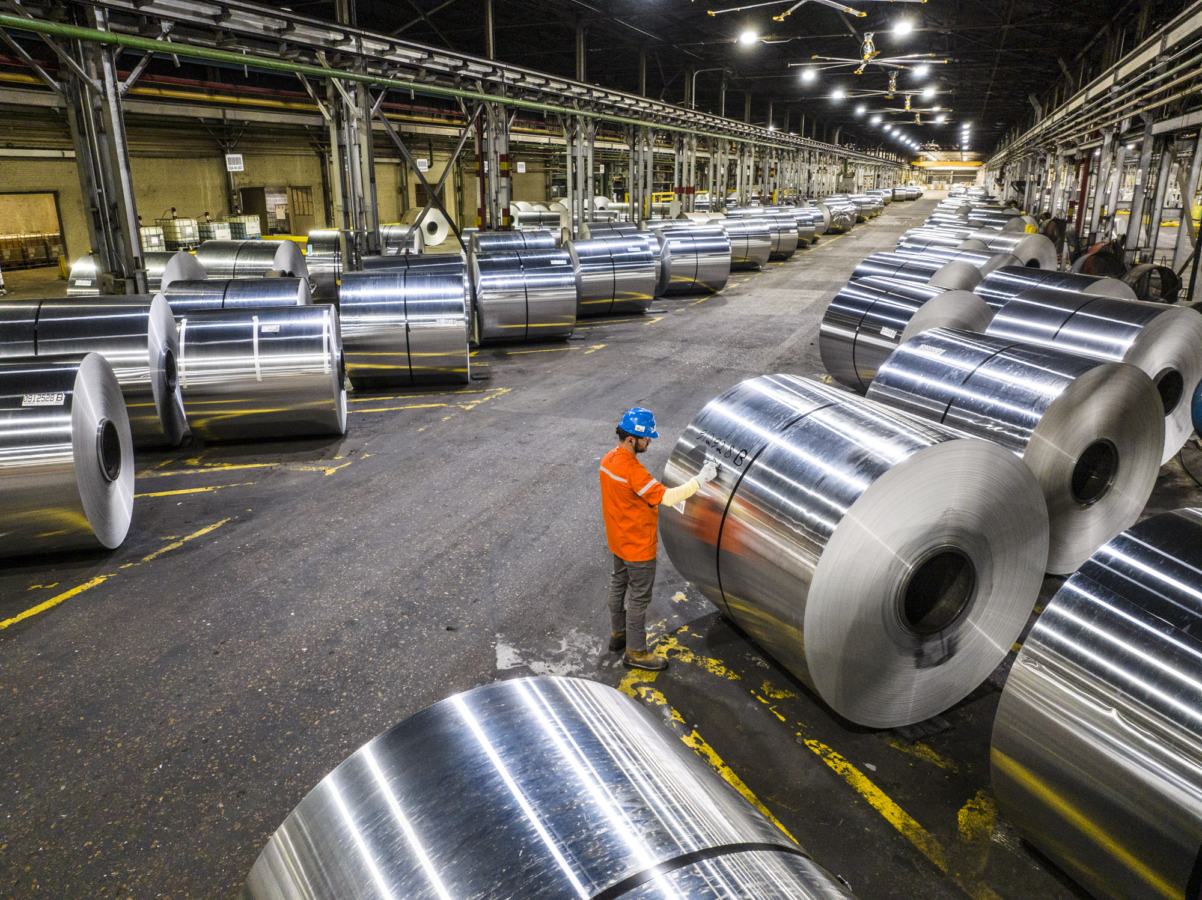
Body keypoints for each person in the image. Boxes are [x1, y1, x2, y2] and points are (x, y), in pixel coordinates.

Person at [599, 407, 718, 671]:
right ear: (631, 439)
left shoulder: (607, 461)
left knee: (618, 586)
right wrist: (700, 480)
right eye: (645, 438)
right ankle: (636, 652)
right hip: (637, 547)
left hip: (618, 541)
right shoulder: (631, 470)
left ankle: (618, 636)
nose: (649, 440)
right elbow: (667, 498)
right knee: (639, 599)